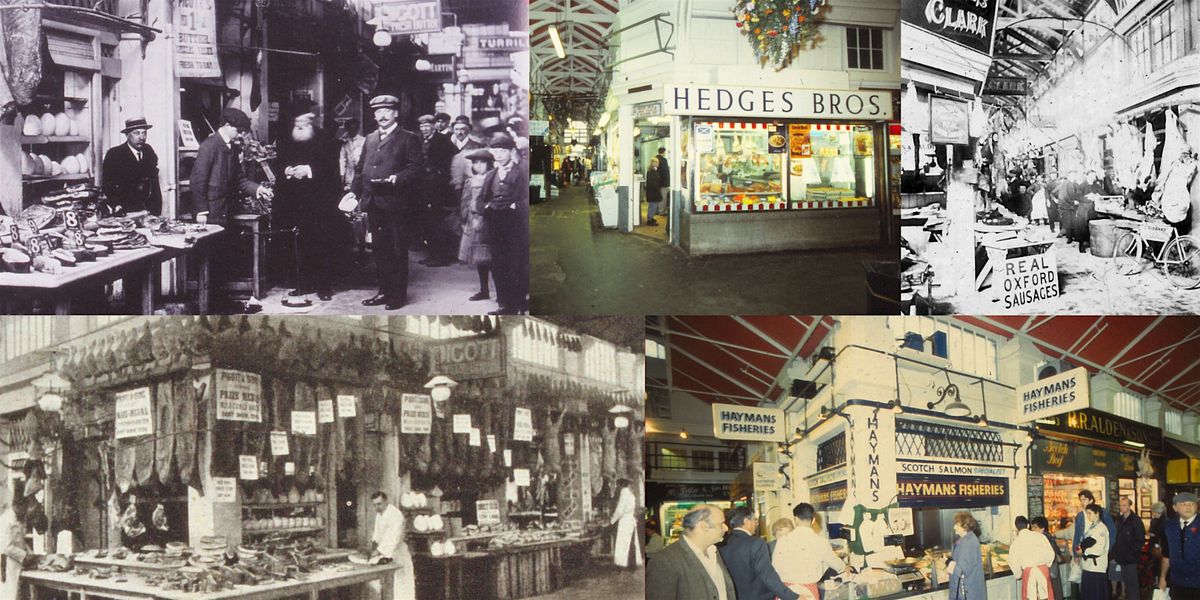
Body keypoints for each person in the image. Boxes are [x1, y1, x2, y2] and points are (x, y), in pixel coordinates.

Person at [350, 94, 424, 310]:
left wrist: (397, 178)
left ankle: (398, 296)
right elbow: (360, 168)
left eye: (386, 111)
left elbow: (417, 169)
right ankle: (383, 291)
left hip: (396, 203)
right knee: (380, 250)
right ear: (374, 114)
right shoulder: (370, 138)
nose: (382, 115)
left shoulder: (408, 138)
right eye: (378, 111)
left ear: (395, 114)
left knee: (397, 250)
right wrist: (353, 193)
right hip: (373, 202)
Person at [275, 108, 341, 301]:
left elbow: (331, 170)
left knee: (321, 244)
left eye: (304, 122)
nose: (300, 126)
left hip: (319, 203)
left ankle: (324, 287)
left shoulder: (324, 139)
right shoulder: (287, 138)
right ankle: (302, 283)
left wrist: (309, 170)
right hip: (294, 203)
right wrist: (287, 170)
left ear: (312, 122)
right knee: (298, 244)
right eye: (297, 123)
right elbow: (279, 162)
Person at [191, 108, 273, 226]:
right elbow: (197, 181)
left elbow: (239, 179)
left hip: (225, 211)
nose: (240, 135)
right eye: (238, 131)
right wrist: (201, 212)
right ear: (227, 125)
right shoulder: (209, 146)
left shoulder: (232, 148)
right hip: (210, 213)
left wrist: (259, 189)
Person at [477, 133, 528, 315]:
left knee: (516, 264)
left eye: (502, 151)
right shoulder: (491, 175)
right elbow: (480, 201)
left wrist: (517, 205)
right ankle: (504, 304)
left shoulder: (522, 172)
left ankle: (518, 303)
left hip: (515, 225)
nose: (498, 154)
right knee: (498, 264)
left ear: (511, 151)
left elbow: (530, 198)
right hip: (495, 225)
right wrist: (487, 206)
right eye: (495, 151)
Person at [646, 504, 737, 600]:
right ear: (704, 526)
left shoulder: (713, 552)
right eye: (721, 524)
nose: (726, 528)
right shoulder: (665, 560)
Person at [718, 506, 799, 600]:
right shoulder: (756, 543)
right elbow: (767, 575)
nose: (756, 524)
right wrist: (794, 597)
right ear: (746, 521)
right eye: (754, 520)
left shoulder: (722, 544)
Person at [774, 503, 848, 599]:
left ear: (795, 519)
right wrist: (844, 567)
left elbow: (774, 568)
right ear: (813, 520)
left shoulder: (782, 541)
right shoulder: (821, 542)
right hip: (808, 592)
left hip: (786, 591)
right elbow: (835, 562)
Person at [416, 114, 460, 268]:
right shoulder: (418, 140)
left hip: (438, 187)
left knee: (438, 222)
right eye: (422, 126)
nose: (425, 129)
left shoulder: (442, 140)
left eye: (428, 126)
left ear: (434, 126)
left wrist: (442, 172)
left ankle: (441, 256)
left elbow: (454, 156)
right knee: (426, 222)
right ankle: (432, 254)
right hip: (422, 187)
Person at [101, 117, 162, 215]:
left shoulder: (148, 150)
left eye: (144, 133)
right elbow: (108, 185)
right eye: (136, 133)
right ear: (127, 135)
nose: (142, 137)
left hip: (149, 211)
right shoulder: (115, 154)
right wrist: (118, 208)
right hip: (126, 212)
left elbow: (154, 185)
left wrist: (156, 211)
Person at [459, 148, 495, 302]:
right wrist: (465, 218)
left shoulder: (493, 179)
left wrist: (482, 216)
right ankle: (484, 289)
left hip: (487, 222)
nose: (479, 166)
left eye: (482, 162)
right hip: (472, 222)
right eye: (475, 163)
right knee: (479, 258)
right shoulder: (469, 181)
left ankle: (501, 291)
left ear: (489, 164)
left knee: (492, 256)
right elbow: (465, 201)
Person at [369, 491, 414, 600]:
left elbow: (393, 537)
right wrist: (373, 548)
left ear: (386, 501)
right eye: (374, 505)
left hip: (398, 553)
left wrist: (378, 551)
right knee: (382, 586)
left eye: (379, 504)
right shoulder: (379, 515)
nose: (377, 507)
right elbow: (376, 535)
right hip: (385, 554)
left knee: (401, 588)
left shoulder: (395, 514)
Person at [1158, 492, 1200, 600]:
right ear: (1175, 507)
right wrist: (1162, 577)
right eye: (1183, 504)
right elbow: (1166, 554)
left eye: (1191, 503)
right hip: (1177, 582)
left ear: (1197, 506)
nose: (1188, 506)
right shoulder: (1169, 526)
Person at [1011, 515, 1058, 600]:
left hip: (1029, 573)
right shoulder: (1040, 536)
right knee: (1045, 596)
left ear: (1016, 528)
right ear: (1028, 525)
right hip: (1043, 571)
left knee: (1031, 596)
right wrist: (1046, 565)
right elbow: (1051, 554)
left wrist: (1019, 574)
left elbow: (1014, 562)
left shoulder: (1016, 543)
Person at [1112, 496, 1145, 600]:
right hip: (1121, 556)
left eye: (1124, 505)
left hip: (1131, 557)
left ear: (1130, 506)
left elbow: (1140, 539)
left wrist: (1133, 553)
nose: (1121, 507)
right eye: (1120, 505)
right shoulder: (1119, 519)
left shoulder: (1135, 520)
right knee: (1126, 581)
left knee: (1133, 583)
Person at [949, 512, 987, 600]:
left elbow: (961, 571)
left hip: (967, 591)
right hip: (970, 588)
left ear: (964, 526)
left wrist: (948, 562)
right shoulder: (967, 538)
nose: (954, 527)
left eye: (957, 524)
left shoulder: (968, 542)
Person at [1080, 504, 1111, 600]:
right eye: (1087, 514)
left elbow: (1099, 549)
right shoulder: (1092, 527)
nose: (1088, 516)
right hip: (1088, 566)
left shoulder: (1101, 528)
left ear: (1097, 513)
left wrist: (1084, 551)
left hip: (1096, 567)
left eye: (1090, 513)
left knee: (1096, 594)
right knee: (1088, 593)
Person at [1032, 516, 1068, 600]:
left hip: (1048, 572)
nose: (1033, 530)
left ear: (1042, 528)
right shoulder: (1047, 537)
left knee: (1049, 594)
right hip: (1051, 572)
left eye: (1035, 527)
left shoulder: (1044, 539)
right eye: (1032, 527)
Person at [610, 479, 642, 569]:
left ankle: (625, 563)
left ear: (621, 486)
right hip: (630, 520)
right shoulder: (631, 495)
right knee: (631, 542)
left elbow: (620, 510)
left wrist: (612, 521)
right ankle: (632, 563)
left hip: (625, 521)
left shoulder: (624, 494)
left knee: (624, 543)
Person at [1074, 490, 1116, 554]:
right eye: (1081, 500)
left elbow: (1112, 531)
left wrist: (1108, 549)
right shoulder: (1080, 516)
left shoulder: (1102, 513)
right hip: (1083, 550)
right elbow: (1077, 535)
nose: (1082, 502)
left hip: (1099, 551)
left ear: (1091, 500)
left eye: (1084, 500)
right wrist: (1076, 553)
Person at [338, 118, 366, 191]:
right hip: (349, 174)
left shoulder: (364, 141)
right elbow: (342, 160)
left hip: (361, 172)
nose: (351, 130)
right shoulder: (345, 143)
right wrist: (342, 175)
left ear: (357, 128)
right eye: (349, 128)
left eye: (354, 128)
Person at [645, 157, 663, 226]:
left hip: (652, 192)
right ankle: (649, 220)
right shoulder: (651, 172)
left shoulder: (652, 171)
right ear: (654, 163)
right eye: (657, 162)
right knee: (653, 206)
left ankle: (650, 217)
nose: (658, 164)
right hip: (653, 192)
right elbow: (653, 183)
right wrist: (657, 189)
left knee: (652, 206)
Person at [657, 146, 671, 216]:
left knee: (658, 196)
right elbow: (665, 172)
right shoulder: (664, 160)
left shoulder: (655, 158)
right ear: (664, 152)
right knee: (663, 197)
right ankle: (661, 211)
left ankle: (658, 209)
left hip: (657, 182)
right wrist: (668, 183)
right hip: (663, 182)